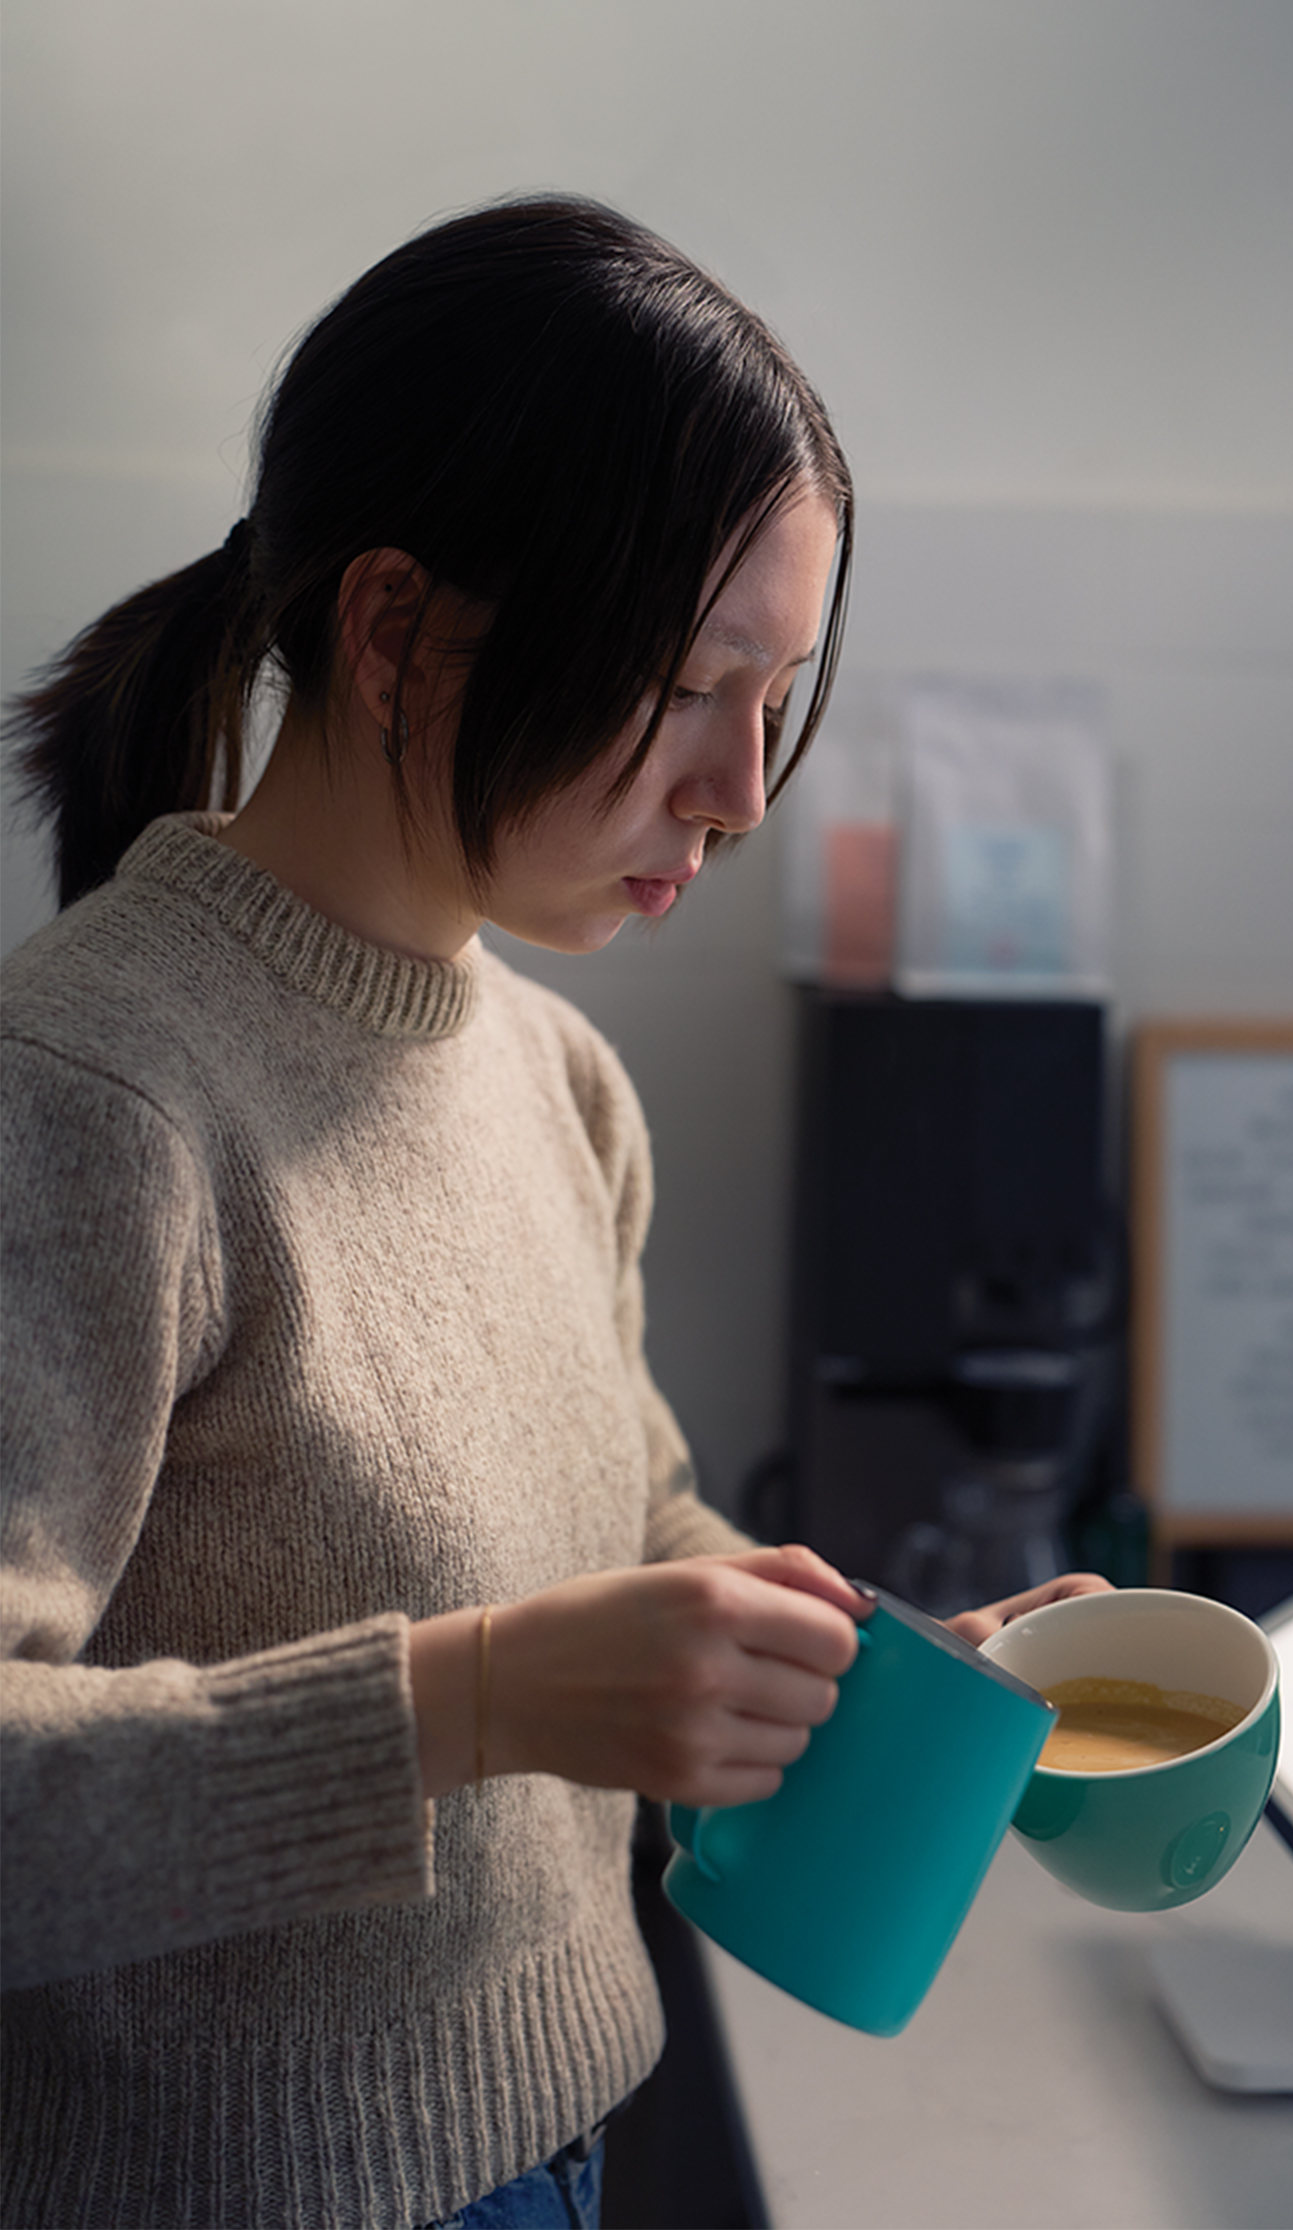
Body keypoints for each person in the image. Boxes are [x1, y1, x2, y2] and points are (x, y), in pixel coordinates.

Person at [1, 194, 1106, 2230]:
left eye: (779, 697)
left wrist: (884, 1668)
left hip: (568, 2152)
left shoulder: (559, 1076)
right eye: (693, 685)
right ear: (401, 625)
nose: (741, 791)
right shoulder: (84, 1097)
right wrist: (470, 1695)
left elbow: (631, 1527)